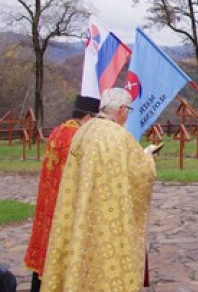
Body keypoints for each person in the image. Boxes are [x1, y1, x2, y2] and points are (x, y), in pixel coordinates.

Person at [41, 88, 156, 292]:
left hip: (82, 209)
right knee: (106, 254)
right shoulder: (121, 137)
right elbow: (141, 174)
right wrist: (149, 157)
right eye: (128, 109)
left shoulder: (83, 132)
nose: (128, 113)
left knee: (82, 250)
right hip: (109, 213)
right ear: (121, 109)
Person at [23, 95, 100, 292]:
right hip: (65, 207)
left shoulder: (58, 131)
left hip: (49, 203)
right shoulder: (77, 139)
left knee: (46, 248)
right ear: (88, 119)